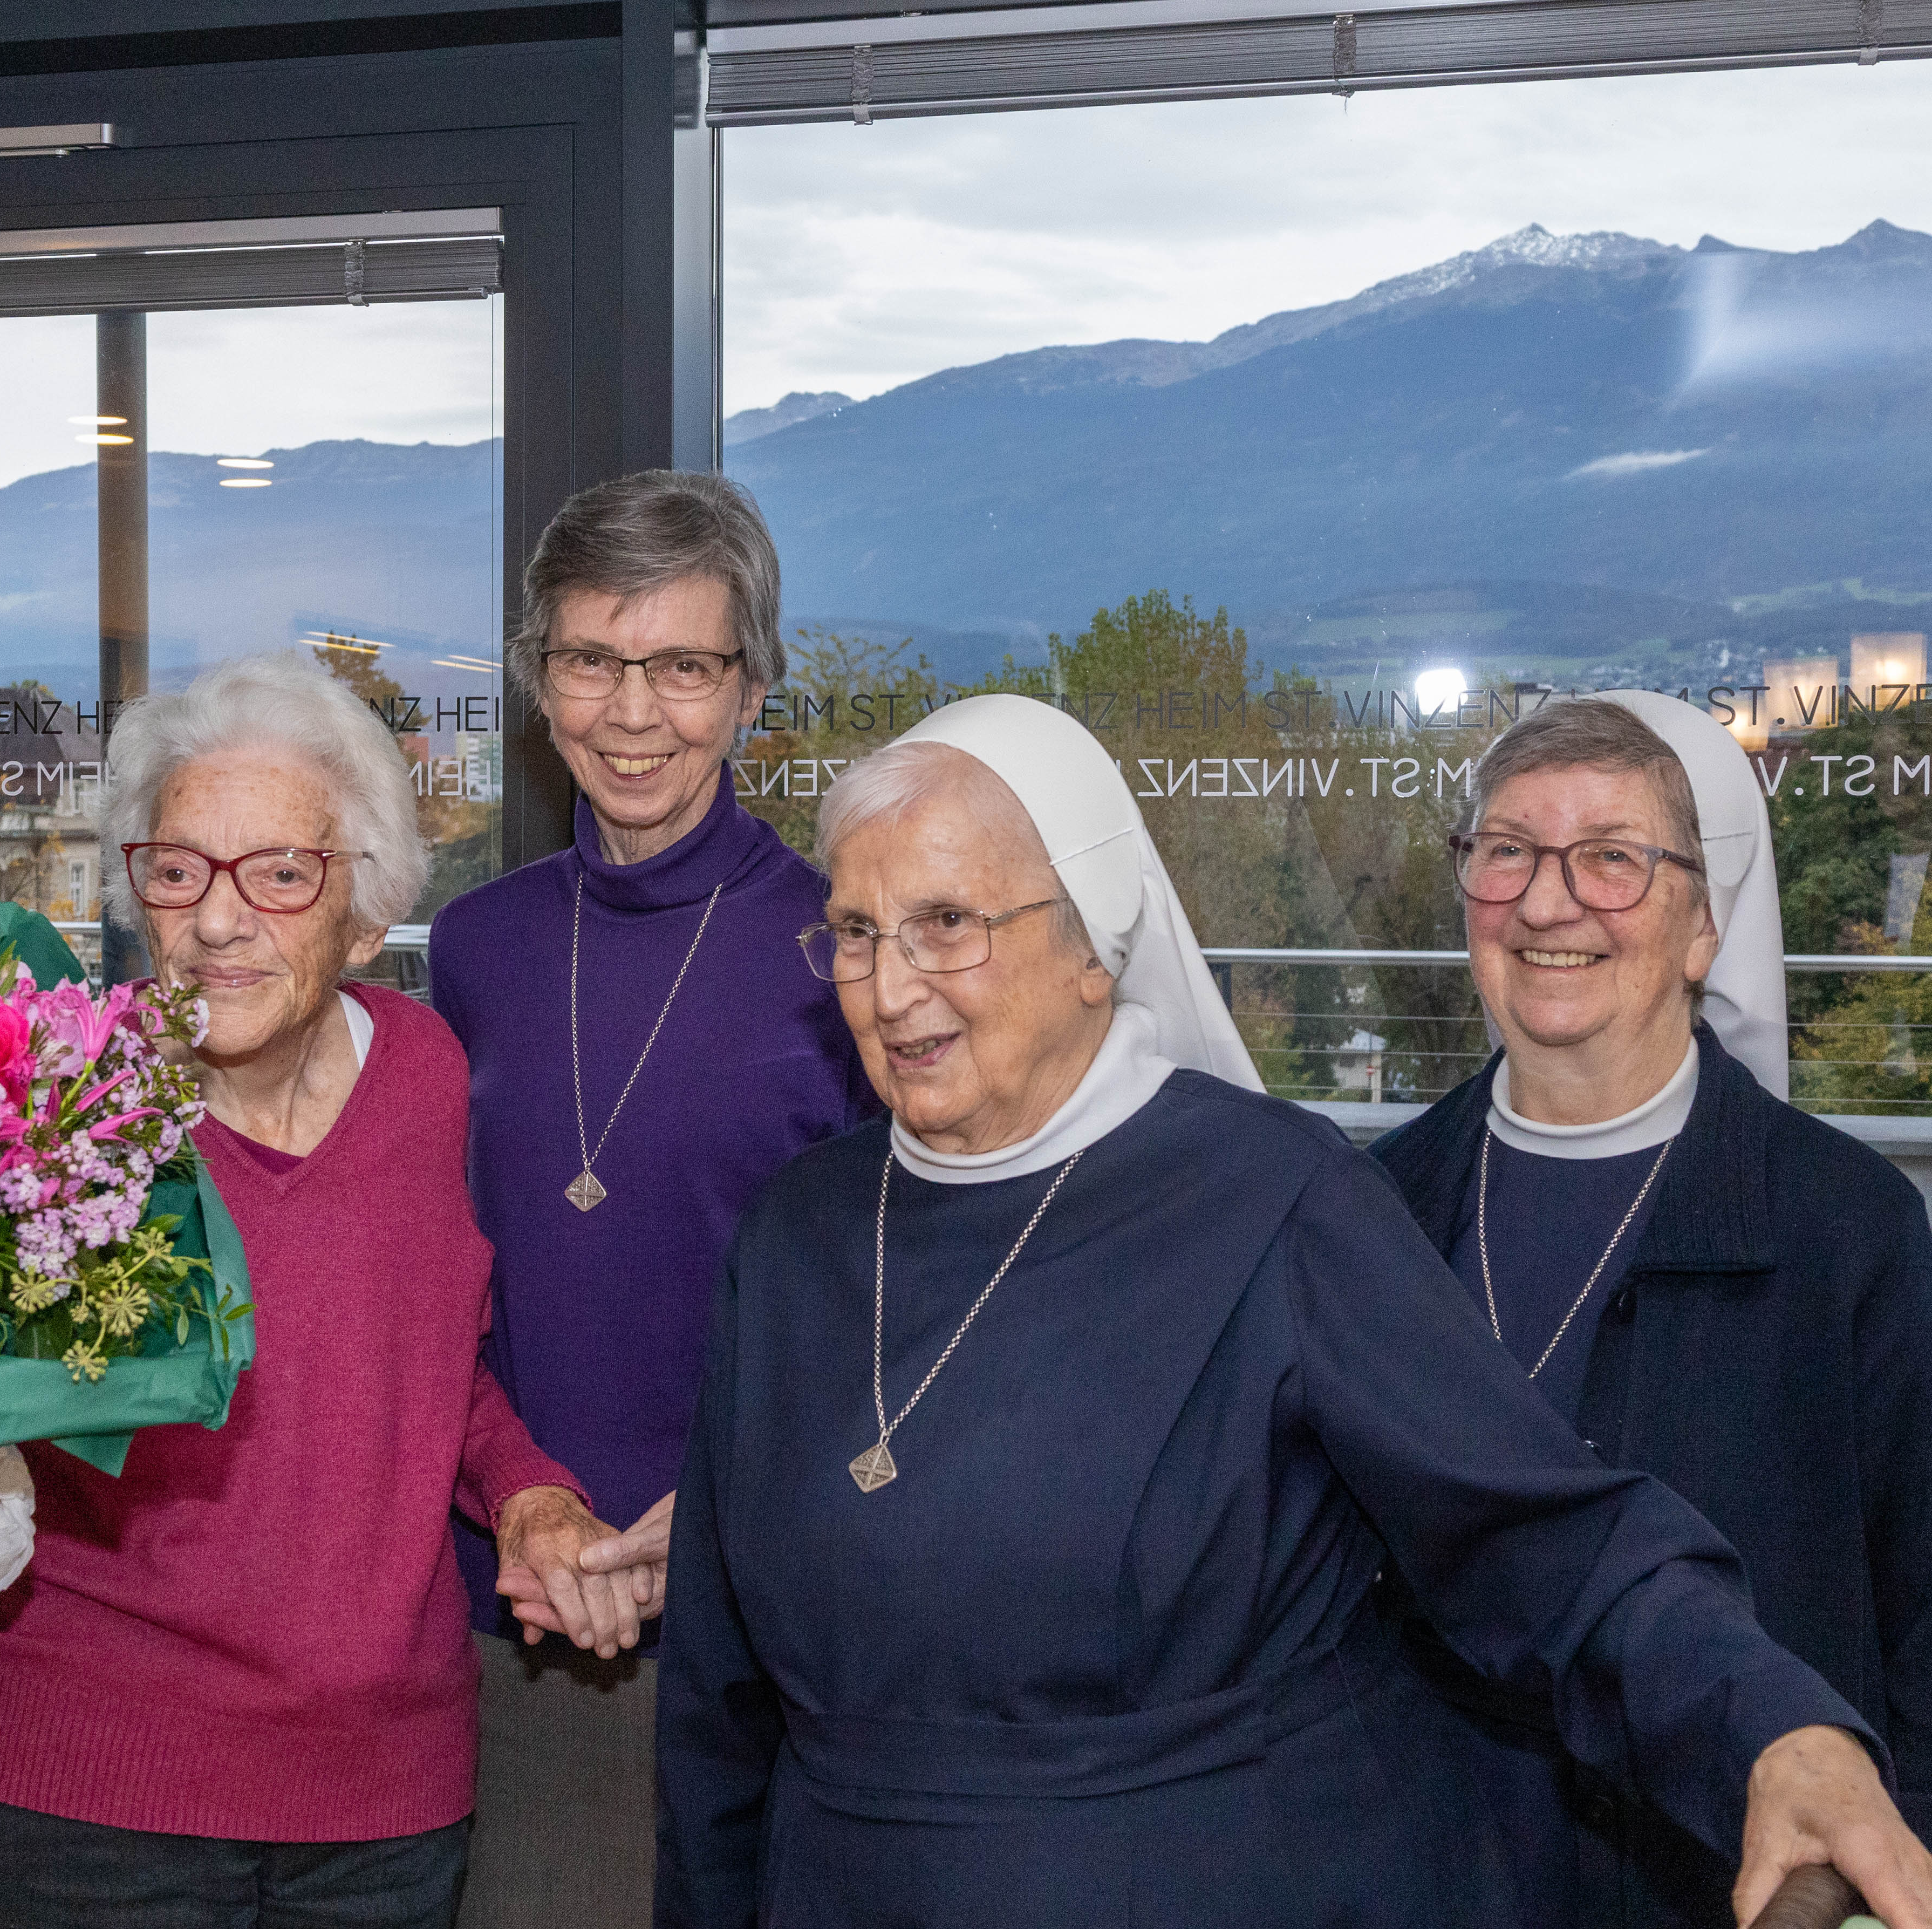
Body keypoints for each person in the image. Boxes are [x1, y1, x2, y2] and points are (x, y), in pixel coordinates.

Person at [653, 692, 1932, 1929]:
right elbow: (718, 1701)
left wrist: (1777, 1728)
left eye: (947, 923)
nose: (889, 986)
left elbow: (1540, 1534)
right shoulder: (795, 1236)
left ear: (1093, 948)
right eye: (858, 932)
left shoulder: (1277, 1197)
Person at [0, 651, 621, 1929]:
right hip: (93, 1792)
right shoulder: (53, 1106)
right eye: (181, 868)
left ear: (366, 911)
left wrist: (528, 1497)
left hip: (383, 1804)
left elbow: (431, 1364)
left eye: (282, 874)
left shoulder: (425, 1078)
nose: (219, 919)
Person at [1371, 691, 1932, 1928]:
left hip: (1734, 1890)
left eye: (1613, 859)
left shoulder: (1847, 1229)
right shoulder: (1370, 1214)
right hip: (1428, 1881)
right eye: (1507, 851)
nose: (1549, 900)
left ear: (1700, 933)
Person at [429, 471, 871, 1927]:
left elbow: (894, 1309)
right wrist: (523, 1510)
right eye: (589, 661)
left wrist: (745, 1507)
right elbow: (444, 1286)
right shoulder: (475, 947)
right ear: (536, 677)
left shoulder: (841, 958)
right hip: (504, 1596)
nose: (631, 713)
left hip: (767, 1612)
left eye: (683, 667)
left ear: (754, 690)